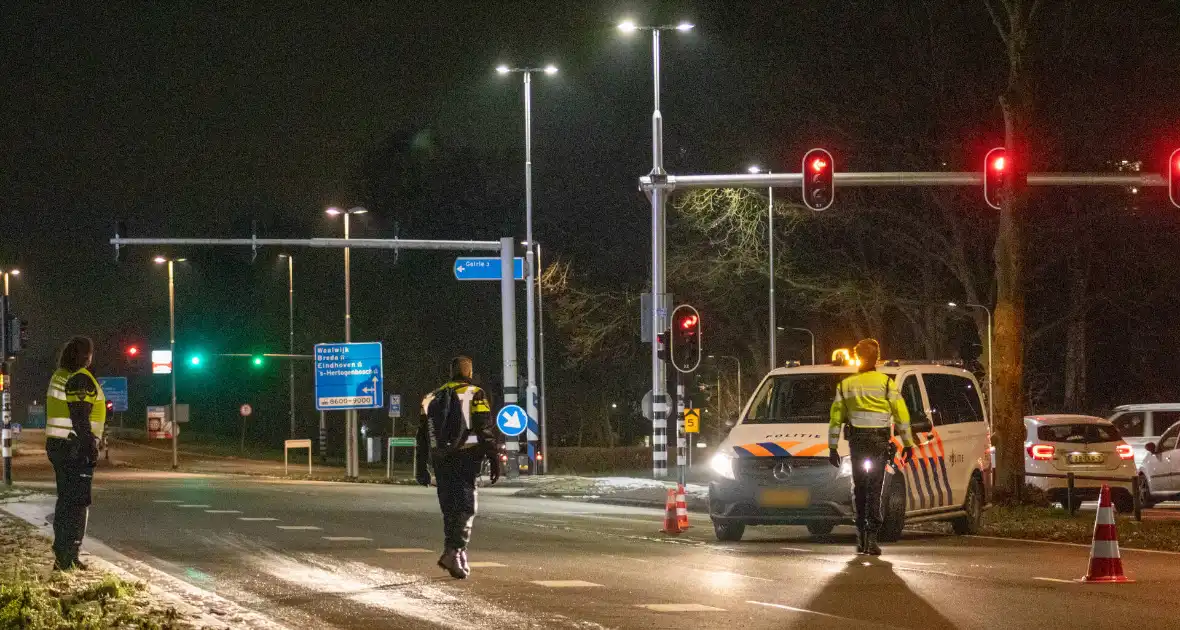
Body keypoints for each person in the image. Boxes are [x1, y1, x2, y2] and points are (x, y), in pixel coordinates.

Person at [416, 356, 500, 579]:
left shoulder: (431, 397)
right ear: (469, 373)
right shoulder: (475, 394)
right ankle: (454, 551)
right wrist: (493, 458)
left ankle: (456, 553)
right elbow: (484, 427)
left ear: (450, 372)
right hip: (467, 458)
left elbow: (422, 436)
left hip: (441, 460)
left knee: (450, 508)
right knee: (465, 507)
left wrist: (420, 466)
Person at [828, 339, 913, 556]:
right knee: (875, 488)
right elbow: (901, 415)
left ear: (857, 357)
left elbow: (836, 418)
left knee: (859, 489)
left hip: (857, 443)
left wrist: (833, 447)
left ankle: (860, 536)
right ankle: (872, 538)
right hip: (878, 443)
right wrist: (908, 444)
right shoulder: (886, 384)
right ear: (877, 358)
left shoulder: (846, 385)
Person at [45, 336, 106, 571]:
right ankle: (69, 556)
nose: (91, 358)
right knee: (77, 503)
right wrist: (90, 445)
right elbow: (80, 416)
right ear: (83, 355)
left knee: (66, 501)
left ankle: (62, 553)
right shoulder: (79, 377)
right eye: (89, 353)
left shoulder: (60, 375)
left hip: (60, 445)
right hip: (75, 448)